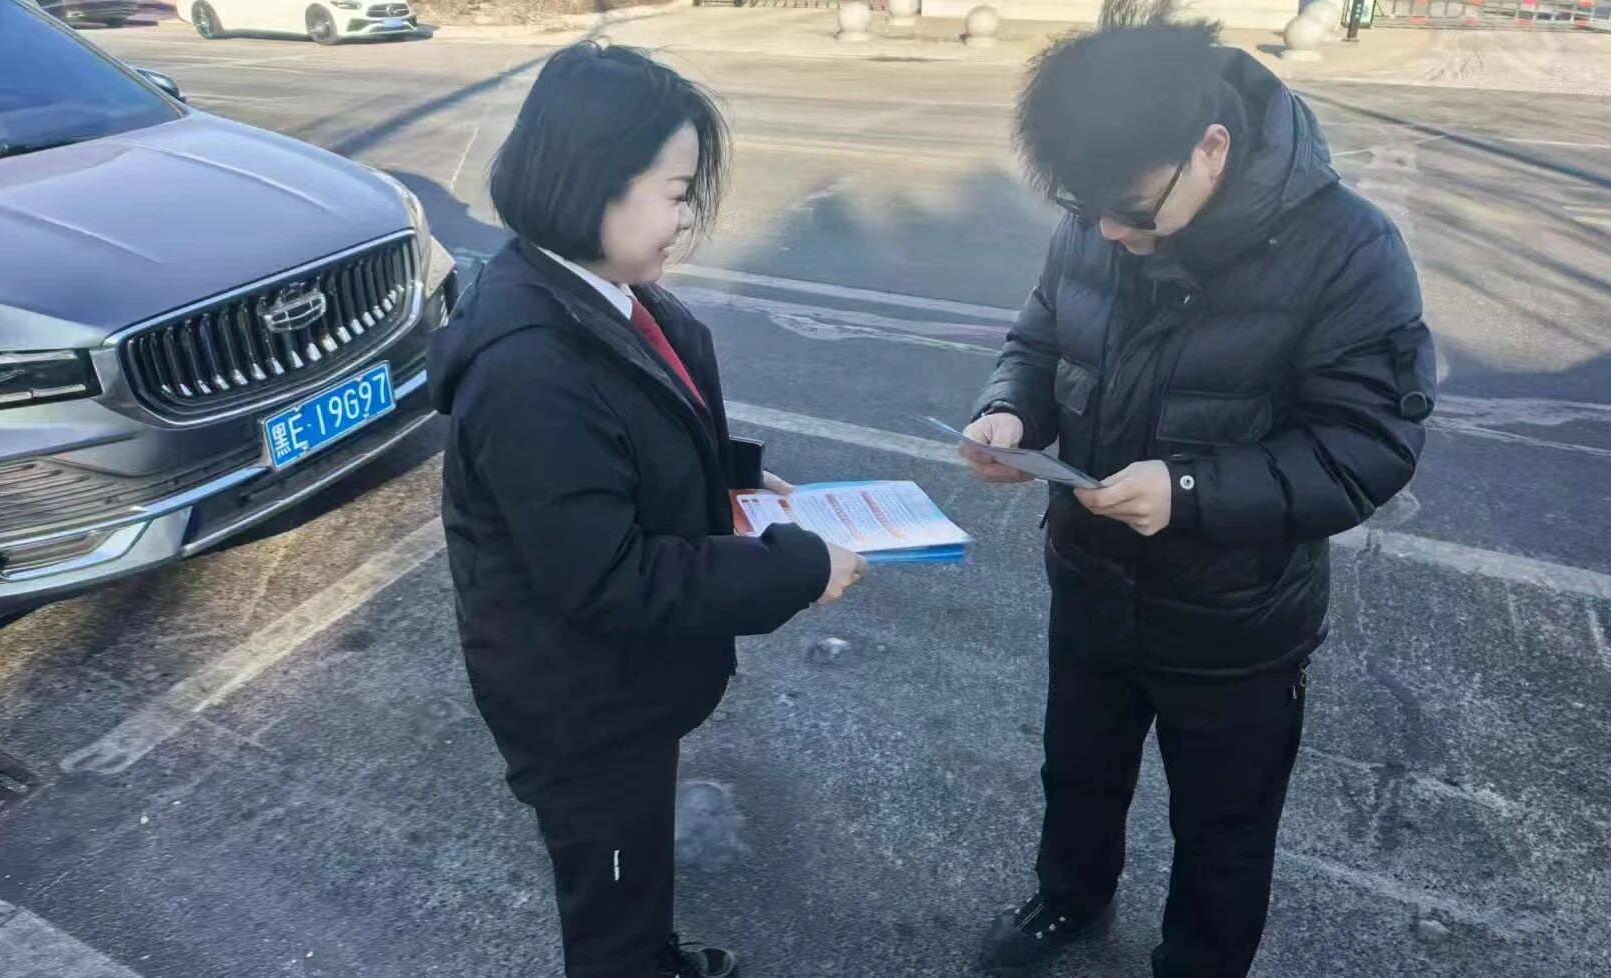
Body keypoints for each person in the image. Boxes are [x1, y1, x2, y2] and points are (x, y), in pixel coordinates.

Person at [963, 21, 1436, 978]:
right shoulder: (1102, 205)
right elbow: (1040, 337)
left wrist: (1188, 491)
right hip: (1092, 584)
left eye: (1133, 211)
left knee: (1225, 824)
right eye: (1087, 209)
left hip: (1236, 619)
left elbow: (1367, 446)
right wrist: (1011, 412)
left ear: (1211, 147)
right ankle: (1069, 900)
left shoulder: (1347, 249)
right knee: (1078, 773)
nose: (1109, 233)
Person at [428, 42, 868, 978]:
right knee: (613, 899)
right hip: (581, 702)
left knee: (633, 866)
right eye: (675, 193)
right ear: (593, 182)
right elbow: (608, 575)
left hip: (622, 683)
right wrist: (796, 568)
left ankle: (652, 955)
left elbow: (629, 440)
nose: (689, 218)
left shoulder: (594, 294)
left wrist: (735, 480)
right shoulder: (531, 368)